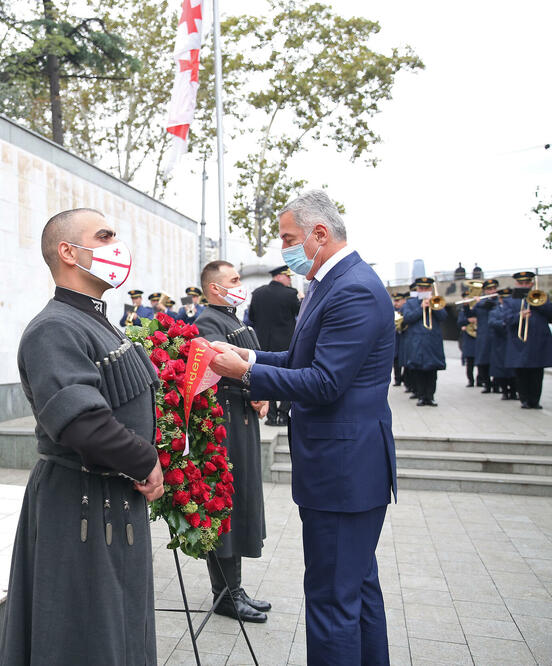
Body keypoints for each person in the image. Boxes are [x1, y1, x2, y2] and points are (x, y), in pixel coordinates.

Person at [206, 190, 396, 664]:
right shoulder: (329, 282)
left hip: (344, 472)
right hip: (342, 468)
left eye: (290, 239)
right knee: (356, 589)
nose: (285, 249)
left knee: (332, 599)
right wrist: (250, 357)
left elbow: (325, 382)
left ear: (320, 233)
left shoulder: (352, 287)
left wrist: (243, 374)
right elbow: (299, 359)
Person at [0, 208, 164, 665]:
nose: (117, 246)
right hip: (79, 501)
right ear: (68, 252)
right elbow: (81, 422)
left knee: (118, 627)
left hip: (112, 495)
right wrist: (145, 461)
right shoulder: (55, 327)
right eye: (105, 236)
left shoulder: (95, 320)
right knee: (81, 636)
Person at [194, 261, 270, 623]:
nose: (241, 285)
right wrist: (254, 387)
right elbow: (217, 370)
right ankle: (225, 595)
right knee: (225, 505)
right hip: (224, 424)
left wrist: (262, 390)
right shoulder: (208, 322)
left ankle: (234, 589)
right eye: (234, 280)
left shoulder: (233, 319)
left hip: (240, 421)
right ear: (215, 288)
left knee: (241, 502)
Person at [247, 265, 300, 426]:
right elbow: (299, 314)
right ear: (278, 276)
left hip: (263, 343)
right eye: (287, 276)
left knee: (266, 377)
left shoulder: (258, 293)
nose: (289, 280)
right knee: (288, 378)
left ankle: (270, 416)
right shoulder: (290, 294)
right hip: (285, 344)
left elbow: (252, 317)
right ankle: (283, 414)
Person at [497, 272, 551, 409]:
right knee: (521, 373)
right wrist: (519, 316)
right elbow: (506, 319)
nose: (524, 285)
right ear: (516, 284)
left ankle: (535, 400)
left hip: (538, 341)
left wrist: (538, 304)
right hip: (519, 342)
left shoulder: (542, 298)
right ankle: (525, 399)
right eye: (521, 283)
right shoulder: (510, 300)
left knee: (537, 373)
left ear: (531, 284)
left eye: (527, 283)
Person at [400, 277, 447, 406]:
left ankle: (430, 396)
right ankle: (421, 396)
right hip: (417, 341)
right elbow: (407, 318)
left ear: (431, 289)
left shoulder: (436, 300)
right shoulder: (410, 303)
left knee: (432, 370)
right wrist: (421, 308)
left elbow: (443, 317)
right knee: (418, 370)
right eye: (421, 288)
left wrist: (434, 305)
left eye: (427, 288)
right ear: (418, 289)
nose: (424, 290)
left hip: (432, 341)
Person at [488, 288, 517, 401]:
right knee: (500, 369)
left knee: (513, 369)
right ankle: (504, 391)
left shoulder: (515, 310)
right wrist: (504, 323)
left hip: (512, 342)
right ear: (500, 299)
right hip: (500, 343)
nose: (505, 300)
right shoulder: (494, 311)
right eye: (503, 298)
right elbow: (491, 322)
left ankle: (514, 392)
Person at [473, 279, 500, 393]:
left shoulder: (499, 301)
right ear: (485, 291)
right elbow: (470, 315)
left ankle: (497, 385)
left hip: (497, 335)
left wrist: (480, 302)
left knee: (497, 361)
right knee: (483, 361)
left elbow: (492, 306)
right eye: (489, 289)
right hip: (484, 336)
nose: (492, 291)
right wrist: (467, 306)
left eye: (494, 288)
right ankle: (487, 384)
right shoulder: (480, 303)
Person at [457, 291, 478, 387]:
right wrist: (468, 321)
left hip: (478, 336)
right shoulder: (462, 311)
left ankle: (480, 380)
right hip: (468, 337)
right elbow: (460, 322)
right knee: (470, 361)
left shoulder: (477, 308)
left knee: (481, 361)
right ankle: (471, 380)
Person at [392, 292, 408, 387]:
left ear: (403, 300)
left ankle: (405, 380)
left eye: (398, 300)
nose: (396, 303)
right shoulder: (392, 310)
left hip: (404, 339)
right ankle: (397, 379)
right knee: (396, 361)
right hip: (396, 339)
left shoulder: (406, 309)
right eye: (395, 301)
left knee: (406, 362)